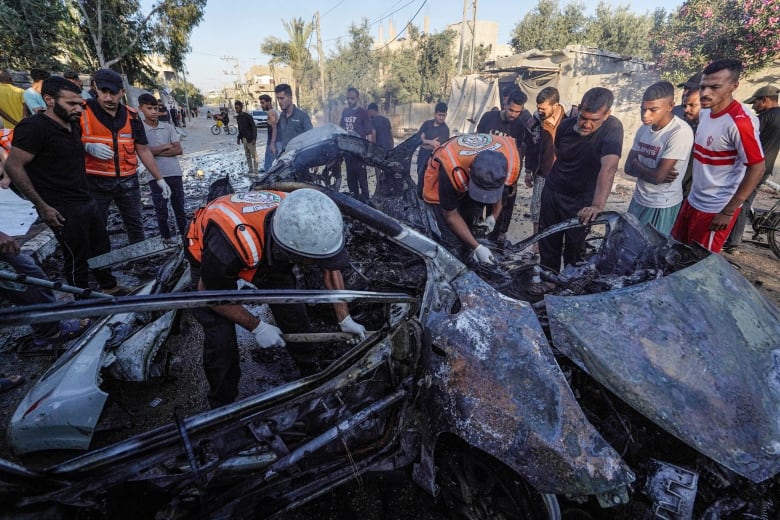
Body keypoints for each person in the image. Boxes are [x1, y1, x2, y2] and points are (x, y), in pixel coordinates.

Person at [185, 188, 367, 408]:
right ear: (293, 252)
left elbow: (329, 267)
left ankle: (311, 371)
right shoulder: (229, 242)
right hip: (209, 254)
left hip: (268, 246)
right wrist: (256, 326)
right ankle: (222, 404)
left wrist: (344, 318)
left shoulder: (300, 215)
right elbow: (210, 293)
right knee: (221, 339)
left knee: (293, 311)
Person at [5, 75, 125, 295]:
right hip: (60, 206)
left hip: (85, 197)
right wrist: (43, 206)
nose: (78, 109)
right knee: (76, 255)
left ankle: (109, 286)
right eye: (71, 104)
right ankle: (80, 298)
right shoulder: (34, 127)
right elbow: (14, 166)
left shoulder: (72, 124)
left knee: (101, 246)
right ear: (49, 100)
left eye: (80, 104)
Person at [671, 59, 765, 254]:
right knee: (677, 252)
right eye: (703, 86)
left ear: (733, 86)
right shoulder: (705, 113)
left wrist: (728, 211)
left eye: (715, 87)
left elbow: (757, 168)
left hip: (716, 209)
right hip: (693, 201)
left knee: (698, 265)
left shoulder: (740, 123)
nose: (706, 93)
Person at [538, 87, 624, 271]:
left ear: (607, 114)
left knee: (575, 245)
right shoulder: (565, 126)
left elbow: (609, 168)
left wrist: (597, 205)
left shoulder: (613, 129)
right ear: (578, 109)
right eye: (583, 117)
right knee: (547, 239)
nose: (586, 124)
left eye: (594, 120)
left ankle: (569, 281)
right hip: (554, 190)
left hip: (582, 199)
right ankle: (548, 278)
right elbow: (558, 153)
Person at [81, 68, 170, 244]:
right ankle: (102, 268)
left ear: (122, 92)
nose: (108, 98)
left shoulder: (131, 116)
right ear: (95, 88)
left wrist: (160, 179)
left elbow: (143, 149)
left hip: (128, 181)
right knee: (97, 226)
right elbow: (64, 143)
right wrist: (85, 146)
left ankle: (141, 263)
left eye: (113, 93)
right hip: (96, 182)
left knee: (136, 224)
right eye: (103, 92)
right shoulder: (82, 112)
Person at [422, 134, 521, 264]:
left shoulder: (511, 162)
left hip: (466, 178)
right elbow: (450, 215)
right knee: (453, 239)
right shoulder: (451, 167)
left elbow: (503, 190)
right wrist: (477, 247)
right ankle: (453, 269)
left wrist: (493, 217)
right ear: (469, 171)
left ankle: (469, 256)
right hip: (438, 182)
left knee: (471, 224)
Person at [624, 81, 694, 235]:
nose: (645, 115)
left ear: (670, 106)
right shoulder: (644, 128)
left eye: (653, 110)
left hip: (661, 204)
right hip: (638, 199)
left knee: (650, 252)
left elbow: (657, 177)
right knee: (627, 246)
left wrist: (639, 164)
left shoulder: (679, 132)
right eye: (643, 109)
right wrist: (652, 172)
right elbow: (628, 168)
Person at [723, 84, 780, 253]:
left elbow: (744, 137)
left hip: (751, 168)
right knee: (746, 201)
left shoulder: (764, 117)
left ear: (765, 100)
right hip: (766, 167)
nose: (754, 107)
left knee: (740, 201)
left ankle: (733, 242)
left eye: (756, 103)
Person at [476, 87, 530, 244]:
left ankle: (493, 244)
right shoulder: (488, 117)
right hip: (482, 173)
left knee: (498, 216)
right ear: (505, 103)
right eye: (511, 110)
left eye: (517, 112)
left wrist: (514, 179)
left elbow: (518, 154)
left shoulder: (519, 127)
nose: (513, 114)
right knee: (476, 212)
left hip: (503, 176)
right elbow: (477, 143)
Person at [523, 87, 571, 248]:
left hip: (564, 176)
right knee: (536, 207)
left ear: (556, 105)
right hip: (542, 174)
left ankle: (557, 242)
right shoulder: (534, 123)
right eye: (538, 107)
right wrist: (528, 171)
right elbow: (530, 148)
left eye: (543, 108)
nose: (539, 111)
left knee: (559, 210)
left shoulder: (569, 122)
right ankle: (536, 243)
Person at [137, 94, 187, 244]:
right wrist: (165, 146)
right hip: (155, 176)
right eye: (149, 108)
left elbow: (178, 150)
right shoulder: (140, 129)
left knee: (179, 208)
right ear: (141, 109)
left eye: (155, 108)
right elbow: (143, 151)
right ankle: (166, 238)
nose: (153, 111)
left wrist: (153, 150)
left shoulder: (168, 127)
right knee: (161, 210)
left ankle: (186, 236)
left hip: (174, 173)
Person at [339, 87, 374, 201]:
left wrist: (368, 153)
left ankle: (366, 202)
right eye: (348, 98)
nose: (350, 101)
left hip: (359, 152)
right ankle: (354, 202)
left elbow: (369, 133)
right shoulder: (345, 112)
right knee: (350, 179)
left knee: (362, 179)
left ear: (357, 98)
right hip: (348, 152)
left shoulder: (363, 113)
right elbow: (341, 129)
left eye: (352, 98)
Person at [415, 102, 449, 198]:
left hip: (433, 162)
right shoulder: (426, 124)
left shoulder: (445, 130)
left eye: (443, 115)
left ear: (446, 115)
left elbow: (437, 146)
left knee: (430, 184)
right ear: (435, 114)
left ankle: (427, 203)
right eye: (439, 115)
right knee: (420, 180)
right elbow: (418, 140)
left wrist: (424, 141)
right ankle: (419, 201)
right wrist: (429, 142)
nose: (441, 118)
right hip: (422, 158)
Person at [274, 83, 312, 153]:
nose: (279, 102)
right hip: (285, 158)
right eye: (278, 99)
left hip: (299, 158)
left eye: (282, 98)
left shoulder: (302, 117)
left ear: (290, 98)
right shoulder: (282, 116)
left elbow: (311, 138)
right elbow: (279, 137)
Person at [681, 88, 702, 198]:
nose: (686, 110)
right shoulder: (685, 128)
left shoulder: (708, 131)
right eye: (685, 106)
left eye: (692, 105)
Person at [234, 100, 258, 175]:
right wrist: (238, 138)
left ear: (241, 107)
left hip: (250, 139)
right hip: (244, 139)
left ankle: (256, 171)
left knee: (254, 156)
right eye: (235, 108)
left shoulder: (248, 116)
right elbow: (240, 129)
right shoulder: (238, 117)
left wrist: (254, 138)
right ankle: (250, 170)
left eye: (237, 108)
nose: (236, 109)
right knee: (247, 155)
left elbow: (254, 127)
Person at [259, 94, 279, 172]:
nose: (261, 105)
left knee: (268, 165)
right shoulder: (273, 111)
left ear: (269, 102)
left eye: (263, 103)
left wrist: (272, 144)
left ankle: (268, 183)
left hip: (273, 143)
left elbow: (275, 128)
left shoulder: (271, 112)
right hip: (275, 142)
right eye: (261, 103)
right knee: (277, 163)